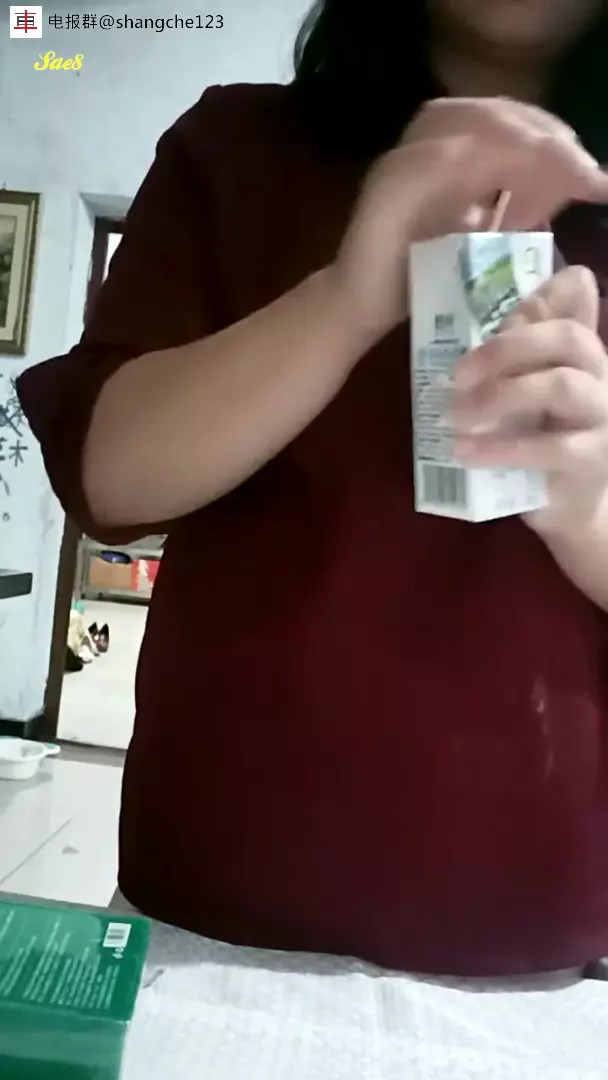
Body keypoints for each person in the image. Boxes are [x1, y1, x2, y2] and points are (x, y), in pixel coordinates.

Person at [18, 0, 608, 978]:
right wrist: (345, 298)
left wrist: (589, 509)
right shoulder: (236, 149)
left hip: (541, 913)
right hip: (217, 889)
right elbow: (105, 478)